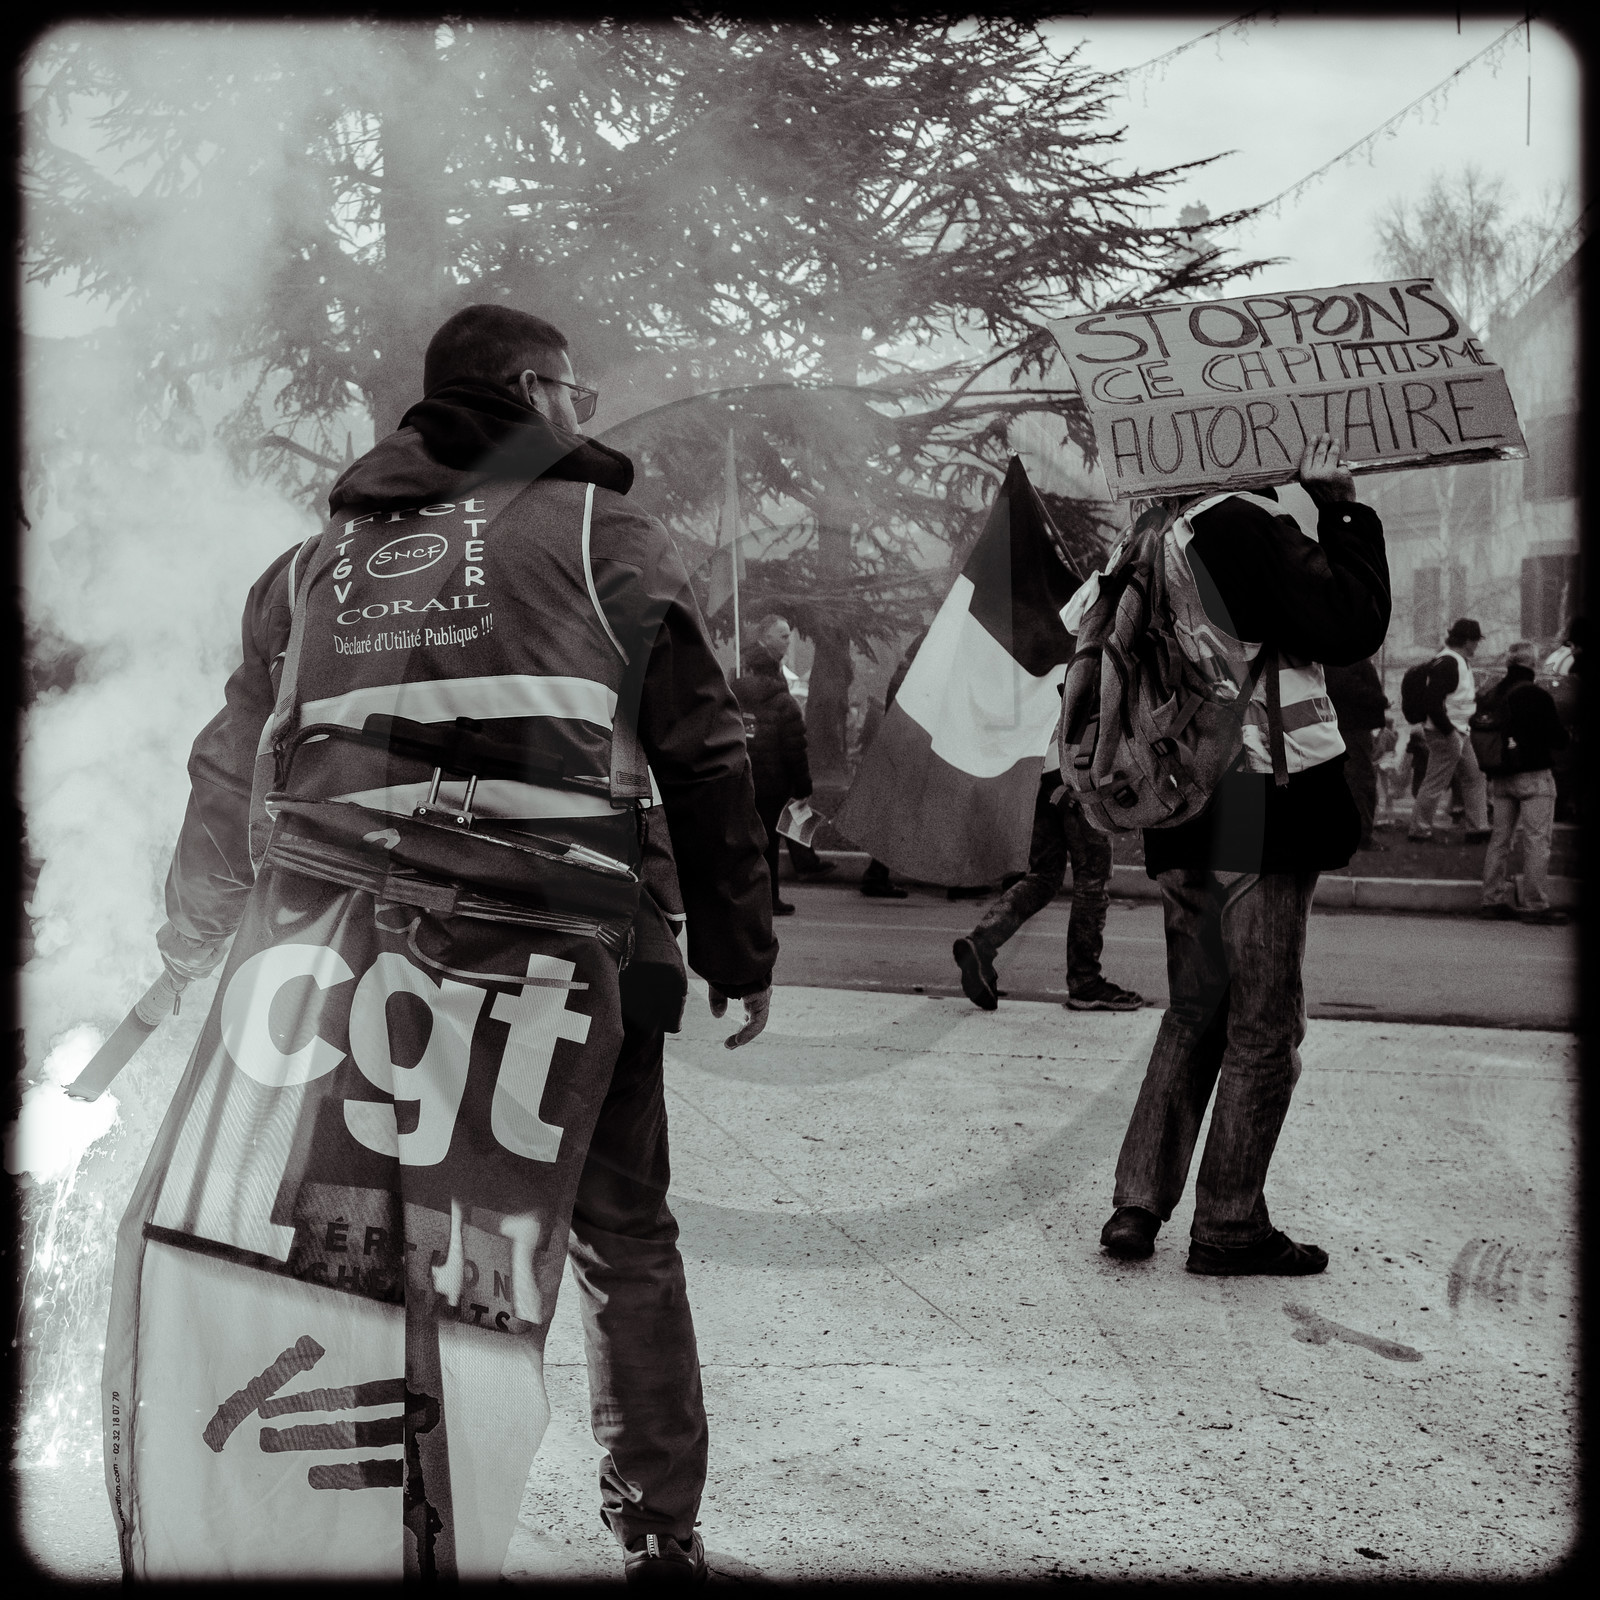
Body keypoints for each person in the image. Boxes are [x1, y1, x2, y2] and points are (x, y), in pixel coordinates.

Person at [112, 304, 775, 1584]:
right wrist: (739, 948)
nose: (588, 411)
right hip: (556, 959)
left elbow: (227, 765)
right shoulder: (603, 535)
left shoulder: (311, 567)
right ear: (534, 390)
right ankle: (657, 1533)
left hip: (340, 966)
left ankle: (360, 1521)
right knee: (618, 1234)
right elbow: (703, 748)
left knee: (359, 1236)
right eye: (576, 390)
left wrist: (192, 934)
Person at [1098, 434, 1389, 1276]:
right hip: (1254, 800)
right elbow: (1350, 622)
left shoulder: (1152, 534)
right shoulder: (1242, 522)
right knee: (1265, 1022)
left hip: (1180, 802)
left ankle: (1138, 1204)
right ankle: (1229, 1223)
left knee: (1197, 1006)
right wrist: (1339, 506)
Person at [952, 738, 1143, 1012]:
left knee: (1044, 875)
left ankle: (981, 943)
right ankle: (1085, 981)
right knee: (1091, 879)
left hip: (1037, 773)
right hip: (1079, 770)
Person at [1477, 640, 1570, 925]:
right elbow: (1558, 737)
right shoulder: (1536, 695)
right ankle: (1534, 903)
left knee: (1500, 840)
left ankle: (1492, 899)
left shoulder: (1493, 693)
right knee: (1536, 840)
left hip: (1501, 776)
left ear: (1508, 663)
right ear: (1532, 664)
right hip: (1533, 775)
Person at [731, 613, 812, 917]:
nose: (788, 641)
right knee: (769, 845)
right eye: (783, 636)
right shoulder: (784, 702)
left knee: (741, 842)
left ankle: (738, 896)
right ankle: (769, 898)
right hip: (773, 784)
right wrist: (803, 786)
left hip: (741, 776)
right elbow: (795, 747)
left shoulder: (734, 694)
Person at [1408, 618, 1491, 843]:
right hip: (1448, 731)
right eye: (1475, 641)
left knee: (1474, 777)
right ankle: (1419, 829)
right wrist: (1450, 732)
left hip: (1455, 730)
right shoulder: (1449, 663)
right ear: (1466, 641)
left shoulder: (1453, 661)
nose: (1477, 646)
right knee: (1439, 781)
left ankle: (1477, 827)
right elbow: (1433, 702)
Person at [858, 630, 924, 899]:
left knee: (896, 817)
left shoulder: (904, 674)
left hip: (900, 754)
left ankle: (876, 874)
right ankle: (876, 875)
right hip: (904, 756)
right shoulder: (911, 677)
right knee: (896, 818)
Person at [1322, 654, 1388, 850]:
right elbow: (1345, 684)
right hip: (1353, 727)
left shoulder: (1342, 655)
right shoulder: (1346, 656)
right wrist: (1379, 699)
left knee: (1354, 779)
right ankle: (1360, 835)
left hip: (1349, 726)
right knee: (1360, 780)